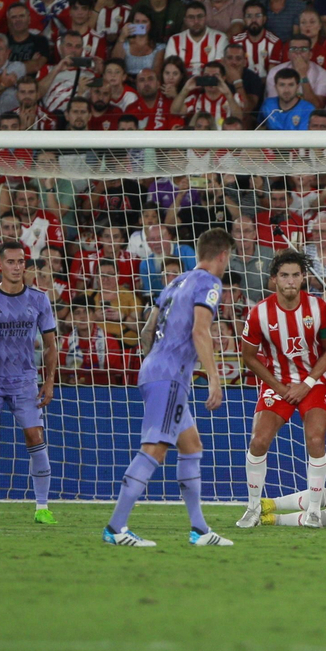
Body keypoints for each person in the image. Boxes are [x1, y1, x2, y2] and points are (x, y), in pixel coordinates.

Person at [104, 228, 235, 548]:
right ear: (222, 255)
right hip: (170, 376)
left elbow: (148, 330)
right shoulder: (209, 283)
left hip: (155, 368)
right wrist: (214, 378)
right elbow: (200, 332)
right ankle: (115, 527)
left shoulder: (176, 282)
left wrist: (156, 363)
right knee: (154, 449)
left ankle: (199, 530)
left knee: (191, 446)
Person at [236, 251, 326, 528]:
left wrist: (307, 384)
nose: (290, 281)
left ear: (303, 277)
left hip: (313, 383)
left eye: (295, 275)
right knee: (258, 441)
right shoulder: (259, 313)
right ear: (274, 280)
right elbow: (249, 357)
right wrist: (280, 388)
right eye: (284, 275)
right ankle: (253, 508)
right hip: (278, 384)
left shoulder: (318, 308)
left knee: (315, 439)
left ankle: (313, 510)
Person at [0, 239, 59, 525]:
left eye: (21, 262)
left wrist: (49, 381)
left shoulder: (39, 299)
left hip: (25, 380)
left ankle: (42, 507)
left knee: (35, 437)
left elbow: (51, 345)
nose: (17, 267)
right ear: (0, 265)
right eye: (11, 262)